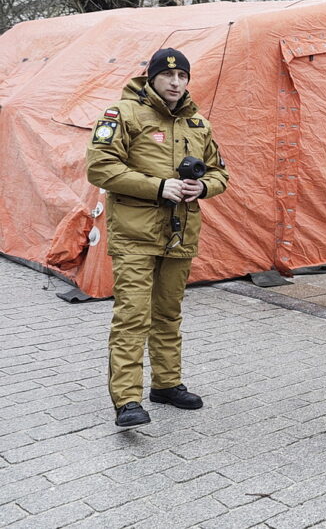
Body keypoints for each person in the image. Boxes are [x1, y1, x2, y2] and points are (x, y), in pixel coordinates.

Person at [86, 47, 229, 428]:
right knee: (133, 316)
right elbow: (100, 167)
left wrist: (204, 188)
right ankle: (127, 400)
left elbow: (220, 173)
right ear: (152, 77)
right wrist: (158, 187)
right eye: (168, 75)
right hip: (135, 234)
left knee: (168, 314)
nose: (176, 82)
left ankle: (166, 384)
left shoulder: (198, 123)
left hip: (179, 235)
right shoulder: (123, 113)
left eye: (182, 76)